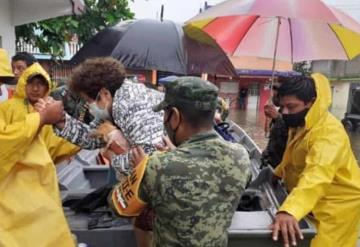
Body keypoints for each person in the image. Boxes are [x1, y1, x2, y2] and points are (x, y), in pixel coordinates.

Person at [110, 77, 251, 246]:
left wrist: (139, 170)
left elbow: (118, 205)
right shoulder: (240, 156)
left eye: (165, 114)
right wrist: (176, 156)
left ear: (175, 116)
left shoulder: (157, 166)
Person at [50, 57, 164, 246]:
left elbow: (149, 156)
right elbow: (91, 136)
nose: (90, 108)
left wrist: (113, 155)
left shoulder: (130, 105)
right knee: (141, 223)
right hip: (152, 173)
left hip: (164, 174)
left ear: (104, 94)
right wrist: (61, 121)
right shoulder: (114, 102)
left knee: (148, 225)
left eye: (88, 101)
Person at [270, 74, 360, 247]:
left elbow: (317, 175)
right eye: (282, 107)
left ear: (311, 102)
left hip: (336, 204)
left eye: (291, 107)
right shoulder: (302, 123)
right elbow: (293, 155)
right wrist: (278, 172)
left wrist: (289, 210)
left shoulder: (328, 134)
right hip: (310, 199)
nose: (285, 112)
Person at [0, 62, 79, 247]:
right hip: (11, 183)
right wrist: (41, 119)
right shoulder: (8, 109)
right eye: (32, 83)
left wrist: (79, 139)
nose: (36, 89)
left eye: (41, 84)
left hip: (39, 182)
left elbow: (51, 145)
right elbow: (7, 140)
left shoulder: (46, 108)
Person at [261, 81, 288, 168]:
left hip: (280, 163)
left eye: (276, 96)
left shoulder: (290, 114)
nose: (273, 98)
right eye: (273, 95)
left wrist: (277, 118)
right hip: (271, 159)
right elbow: (272, 136)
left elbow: (290, 134)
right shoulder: (279, 111)